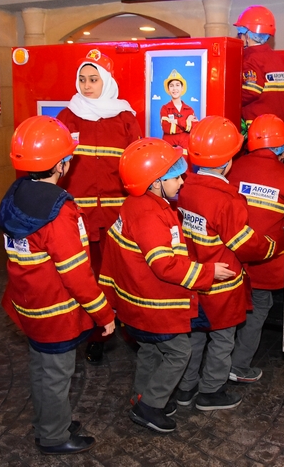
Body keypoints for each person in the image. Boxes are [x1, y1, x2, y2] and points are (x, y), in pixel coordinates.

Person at [99, 138, 235, 432]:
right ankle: (150, 406)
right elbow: (165, 266)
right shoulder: (151, 216)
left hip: (135, 303)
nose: (182, 181)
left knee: (149, 350)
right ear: (155, 182)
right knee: (179, 353)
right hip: (154, 306)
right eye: (175, 177)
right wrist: (208, 272)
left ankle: (142, 395)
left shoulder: (136, 204)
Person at [0, 116, 116, 455]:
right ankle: (53, 435)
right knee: (56, 374)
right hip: (56, 312)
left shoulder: (16, 195)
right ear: (61, 163)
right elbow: (75, 273)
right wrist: (103, 314)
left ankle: (50, 419)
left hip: (29, 304)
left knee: (41, 367)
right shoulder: (59, 211)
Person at [175, 116, 278, 411]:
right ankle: (211, 392)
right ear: (227, 162)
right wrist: (273, 246)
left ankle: (186, 389)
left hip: (193, 280)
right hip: (222, 286)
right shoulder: (226, 200)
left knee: (195, 337)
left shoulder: (185, 189)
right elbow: (244, 244)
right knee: (222, 340)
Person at [56, 48, 141, 364]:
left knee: (126, 271)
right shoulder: (67, 116)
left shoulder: (125, 117)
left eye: (93, 79)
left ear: (106, 80)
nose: (87, 85)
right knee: (87, 276)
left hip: (118, 214)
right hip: (79, 216)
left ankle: (132, 327)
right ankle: (96, 335)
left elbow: (137, 165)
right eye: (82, 79)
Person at [227, 115, 284, 383]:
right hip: (265, 261)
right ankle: (238, 366)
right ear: (282, 147)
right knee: (260, 305)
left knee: (229, 307)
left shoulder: (234, 167)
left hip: (232, 258)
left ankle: (217, 361)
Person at [234, 5, 284, 134]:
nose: (239, 37)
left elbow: (250, 91)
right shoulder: (275, 58)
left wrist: (229, 99)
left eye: (241, 33)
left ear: (248, 35)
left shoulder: (251, 59)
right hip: (278, 127)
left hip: (257, 128)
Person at [159, 69, 198, 162]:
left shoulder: (190, 110)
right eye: (171, 86)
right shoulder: (165, 108)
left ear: (182, 88)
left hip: (186, 154)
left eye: (177, 85)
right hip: (169, 153)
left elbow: (194, 128)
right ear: (168, 89)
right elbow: (167, 128)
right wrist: (186, 123)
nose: (174, 89)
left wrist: (176, 122)